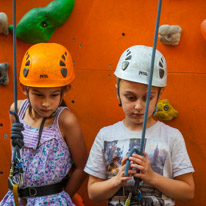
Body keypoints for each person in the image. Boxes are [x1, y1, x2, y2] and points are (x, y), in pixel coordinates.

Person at [84, 45, 195, 206]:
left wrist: (152, 177)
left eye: (147, 98)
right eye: (130, 97)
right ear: (117, 92)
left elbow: (188, 192)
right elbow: (93, 192)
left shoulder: (172, 136)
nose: (138, 106)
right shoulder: (105, 135)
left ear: (160, 95)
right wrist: (117, 180)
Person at [0, 43, 88, 206]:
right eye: (38, 95)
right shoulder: (17, 110)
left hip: (52, 200)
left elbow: (82, 166)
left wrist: (62, 198)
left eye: (54, 95)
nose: (46, 103)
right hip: (17, 199)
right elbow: (17, 153)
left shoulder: (66, 121)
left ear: (66, 90)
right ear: (24, 88)